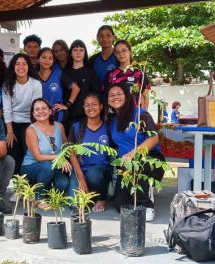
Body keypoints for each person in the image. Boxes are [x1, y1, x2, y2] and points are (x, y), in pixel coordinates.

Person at [106, 83, 165, 221]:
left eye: (119, 94)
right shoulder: (112, 121)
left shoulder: (141, 114)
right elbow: (115, 146)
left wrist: (132, 154)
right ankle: (138, 192)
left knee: (133, 168)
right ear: (107, 100)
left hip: (150, 160)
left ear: (127, 96)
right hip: (126, 165)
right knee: (120, 205)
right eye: (111, 95)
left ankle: (147, 204)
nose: (115, 97)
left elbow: (154, 138)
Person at [21, 98, 71, 209]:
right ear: (33, 114)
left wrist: (70, 155)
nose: (40, 111)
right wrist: (58, 157)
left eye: (44, 108)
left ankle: (43, 187)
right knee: (47, 166)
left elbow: (65, 146)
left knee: (63, 184)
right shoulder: (31, 130)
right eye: (37, 109)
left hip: (54, 166)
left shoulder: (59, 126)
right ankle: (39, 197)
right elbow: (38, 157)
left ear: (50, 111)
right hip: (32, 166)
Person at [68, 93, 112, 212]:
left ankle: (101, 196)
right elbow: (71, 154)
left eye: (94, 104)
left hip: (101, 171)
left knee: (94, 175)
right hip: (81, 170)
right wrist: (81, 179)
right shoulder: (77, 127)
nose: (90, 108)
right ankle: (91, 191)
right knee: (74, 204)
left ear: (101, 106)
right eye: (87, 105)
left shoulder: (108, 127)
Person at [2, 53, 42, 174]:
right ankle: (16, 183)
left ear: (28, 66)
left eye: (24, 64)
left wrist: (32, 129)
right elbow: (7, 109)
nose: (21, 67)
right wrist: (9, 131)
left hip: (29, 123)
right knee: (13, 154)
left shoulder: (36, 84)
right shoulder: (7, 84)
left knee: (29, 153)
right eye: (17, 64)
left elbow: (36, 108)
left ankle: (30, 181)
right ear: (13, 67)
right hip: (11, 123)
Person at [64, 39, 100, 133]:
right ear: (70, 53)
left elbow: (96, 94)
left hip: (86, 116)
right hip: (68, 117)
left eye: (81, 50)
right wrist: (65, 105)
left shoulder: (90, 73)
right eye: (75, 50)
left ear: (85, 53)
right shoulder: (65, 72)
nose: (78, 53)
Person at [37, 47, 80, 123]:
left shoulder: (58, 73)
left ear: (53, 61)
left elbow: (76, 88)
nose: (47, 60)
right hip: (40, 117)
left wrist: (67, 105)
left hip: (56, 117)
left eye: (50, 58)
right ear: (38, 59)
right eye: (44, 57)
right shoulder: (34, 76)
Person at [105, 40, 151, 109]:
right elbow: (106, 96)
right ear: (115, 55)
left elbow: (145, 96)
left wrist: (144, 114)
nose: (121, 54)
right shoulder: (110, 74)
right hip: (115, 116)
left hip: (134, 116)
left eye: (124, 50)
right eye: (117, 52)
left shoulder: (139, 74)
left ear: (130, 52)